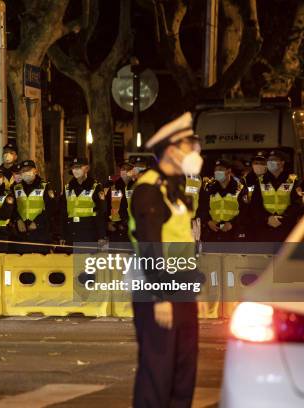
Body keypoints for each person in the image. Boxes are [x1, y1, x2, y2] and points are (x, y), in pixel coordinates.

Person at [129, 112, 203, 408]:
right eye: (189, 146)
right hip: (158, 291)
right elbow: (150, 245)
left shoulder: (174, 187)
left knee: (184, 371)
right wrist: (159, 295)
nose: (195, 153)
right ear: (171, 151)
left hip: (182, 289)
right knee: (158, 372)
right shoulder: (149, 189)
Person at [249, 150, 302, 242]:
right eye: (269, 160)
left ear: (282, 162)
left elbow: (297, 203)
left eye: (274, 160)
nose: (270, 162)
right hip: (266, 228)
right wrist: (267, 218)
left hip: (287, 227)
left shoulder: (292, 180)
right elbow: (255, 205)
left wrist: (284, 218)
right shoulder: (260, 180)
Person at [59, 157, 107, 249]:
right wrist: (62, 235)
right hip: (71, 232)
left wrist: (101, 236)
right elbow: (63, 213)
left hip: (89, 233)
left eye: (79, 167)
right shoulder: (67, 188)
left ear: (87, 168)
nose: (75, 170)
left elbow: (101, 212)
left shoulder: (96, 187)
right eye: (73, 168)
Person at [11, 160, 57, 254]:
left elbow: (52, 208)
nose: (26, 173)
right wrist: (18, 220)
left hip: (41, 232)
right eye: (23, 171)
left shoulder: (45, 186)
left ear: (35, 171)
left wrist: (37, 222)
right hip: (21, 233)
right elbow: (12, 208)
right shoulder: (15, 187)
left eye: (28, 170)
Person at [198, 159, 248, 242]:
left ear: (228, 171)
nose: (217, 172)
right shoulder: (209, 188)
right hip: (213, 232)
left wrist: (232, 223)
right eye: (216, 170)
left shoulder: (240, 188)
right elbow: (203, 208)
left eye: (220, 169)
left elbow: (245, 210)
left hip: (233, 232)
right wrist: (208, 221)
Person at [105, 165, 129, 243]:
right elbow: (107, 206)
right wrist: (107, 222)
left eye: (127, 170)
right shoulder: (114, 188)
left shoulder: (136, 187)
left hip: (132, 227)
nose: (124, 172)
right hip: (116, 228)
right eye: (123, 169)